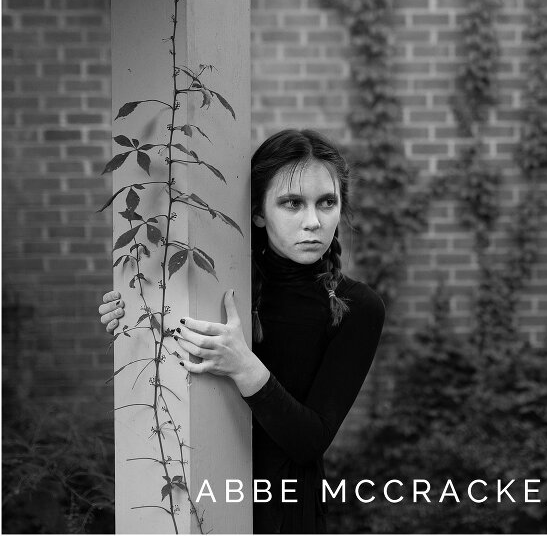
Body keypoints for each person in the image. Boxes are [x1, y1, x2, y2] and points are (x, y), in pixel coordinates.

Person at [98, 129, 386, 533]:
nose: (313, 221)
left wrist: (243, 366)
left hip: (285, 512)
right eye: (291, 203)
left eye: (326, 203)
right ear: (258, 212)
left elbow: (309, 439)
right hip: (192, 496)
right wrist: (134, 320)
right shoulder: (214, 284)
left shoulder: (358, 308)